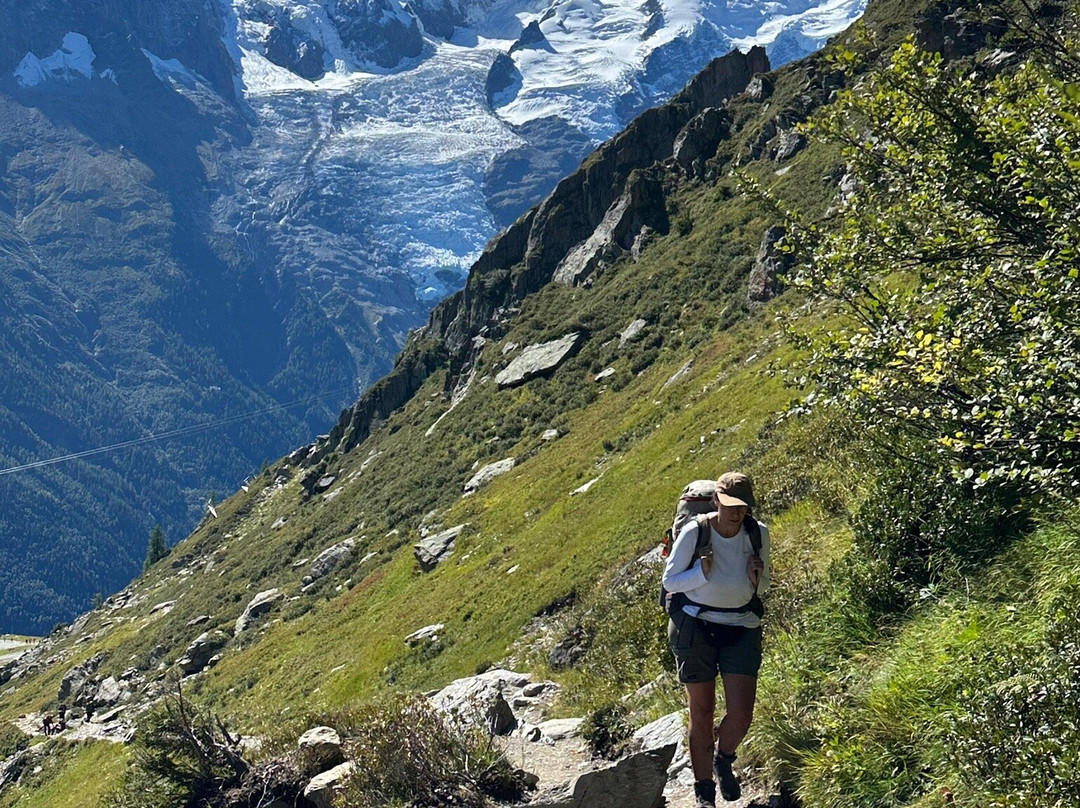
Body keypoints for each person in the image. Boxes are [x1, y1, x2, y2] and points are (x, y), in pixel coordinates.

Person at [662, 471, 770, 807]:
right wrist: (701, 573)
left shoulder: (757, 533)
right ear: (716, 502)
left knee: (741, 715)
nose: (738, 513)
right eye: (731, 505)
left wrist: (756, 580)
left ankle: (724, 758)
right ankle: (704, 791)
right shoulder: (697, 531)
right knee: (702, 711)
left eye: (743, 506)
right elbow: (670, 581)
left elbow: (762, 587)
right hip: (696, 626)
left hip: (741, 626)